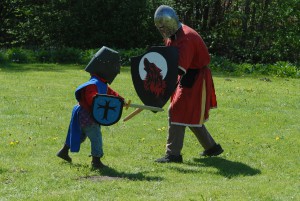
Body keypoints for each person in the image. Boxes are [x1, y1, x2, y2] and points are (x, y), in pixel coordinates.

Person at [154, 5, 223, 163]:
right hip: (188, 75)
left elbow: (178, 68)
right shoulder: (174, 36)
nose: (162, 30)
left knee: (177, 110)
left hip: (195, 76)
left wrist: (162, 84)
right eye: (160, 28)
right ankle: (212, 147)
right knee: (189, 113)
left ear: (170, 23)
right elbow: (169, 60)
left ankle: (173, 154)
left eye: (163, 26)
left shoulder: (186, 38)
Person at [57, 46, 125, 169]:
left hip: (85, 114)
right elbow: (92, 97)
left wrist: (119, 100)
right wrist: (98, 98)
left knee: (80, 134)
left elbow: (110, 93)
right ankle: (96, 161)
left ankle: (64, 151)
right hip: (87, 114)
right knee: (96, 137)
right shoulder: (93, 83)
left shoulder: (101, 82)